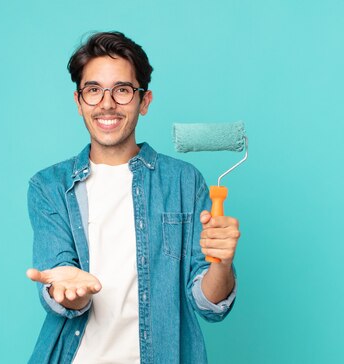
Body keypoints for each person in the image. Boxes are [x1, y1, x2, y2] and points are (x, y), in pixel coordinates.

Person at [25, 31, 240, 364]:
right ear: (79, 102)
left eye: (122, 90)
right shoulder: (48, 186)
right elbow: (62, 286)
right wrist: (69, 293)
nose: (107, 103)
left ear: (145, 101)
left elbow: (207, 304)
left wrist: (222, 263)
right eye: (93, 90)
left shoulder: (183, 181)